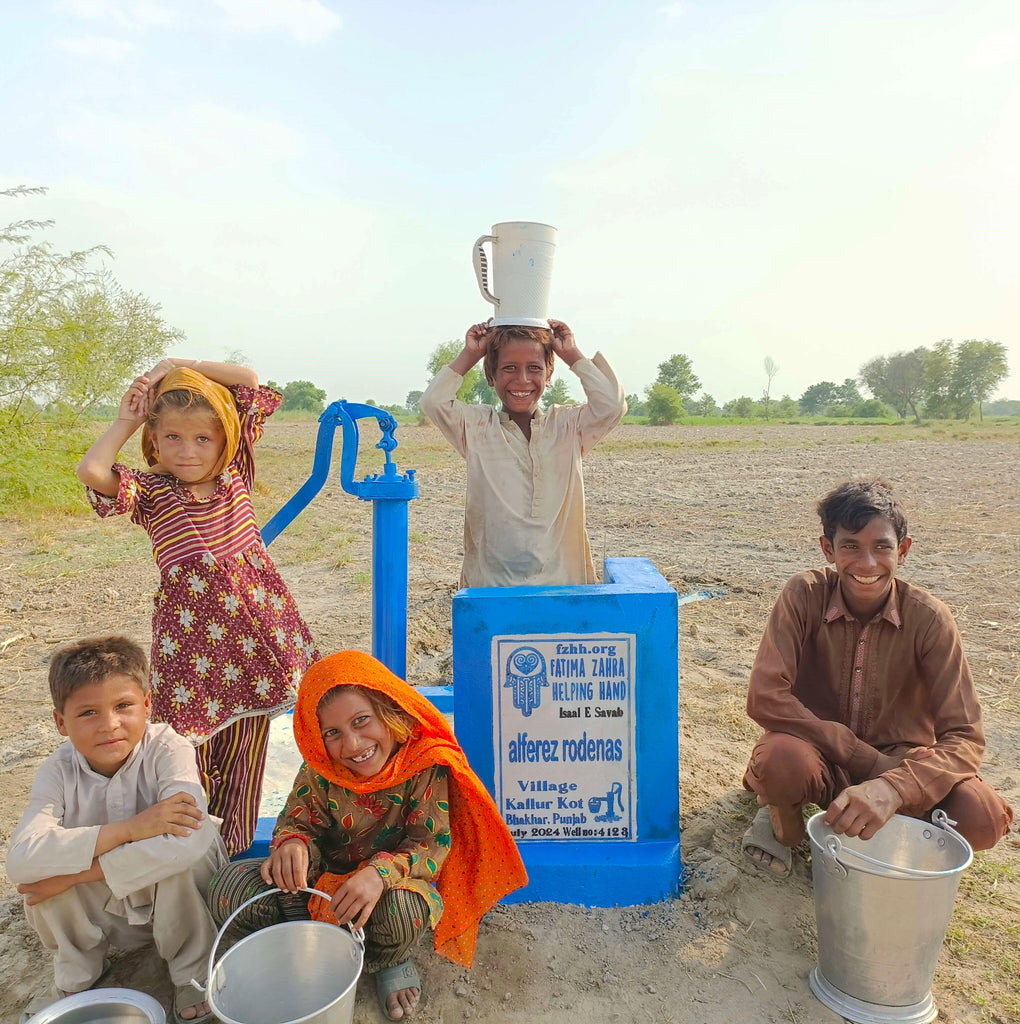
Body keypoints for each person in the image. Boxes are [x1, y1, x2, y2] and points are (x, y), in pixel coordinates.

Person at [76, 358, 318, 856]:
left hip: (254, 643)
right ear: (154, 439)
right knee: (187, 750)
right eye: (172, 438)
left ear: (224, 439)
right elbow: (93, 470)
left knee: (247, 749)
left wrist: (175, 366)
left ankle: (228, 861)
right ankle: (189, 856)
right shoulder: (150, 492)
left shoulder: (235, 473)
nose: (188, 452)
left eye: (202, 439)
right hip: (193, 652)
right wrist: (129, 417)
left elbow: (249, 380)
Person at [207, 649, 528, 1021]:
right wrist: (291, 844)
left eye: (362, 721)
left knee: (405, 915)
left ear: (389, 710)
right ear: (318, 737)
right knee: (225, 889)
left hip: (387, 893)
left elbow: (429, 845)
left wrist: (378, 875)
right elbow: (298, 818)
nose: (353, 745)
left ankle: (385, 958)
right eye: (333, 733)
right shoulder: (322, 767)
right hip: (321, 886)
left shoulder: (425, 765)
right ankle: (304, 936)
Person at [741, 479, 1013, 878]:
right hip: (815, 755)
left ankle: (889, 829)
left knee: (983, 816)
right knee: (782, 761)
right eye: (850, 546)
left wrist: (895, 786)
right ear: (827, 549)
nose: (867, 564)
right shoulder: (804, 595)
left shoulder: (930, 619)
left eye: (881, 546)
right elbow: (765, 697)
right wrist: (862, 758)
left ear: (902, 550)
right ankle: (780, 813)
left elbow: (966, 738)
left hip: (898, 762)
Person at [7, 636, 227, 1024]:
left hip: (175, 908)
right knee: (41, 876)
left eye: (123, 706)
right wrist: (131, 828)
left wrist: (77, 873)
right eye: (88, 712)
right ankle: (79, 979)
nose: (109, 725)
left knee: (188, 847)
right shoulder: (58, 770)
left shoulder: (168, 748)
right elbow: (21, 862)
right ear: (61, 722)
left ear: (146, 704)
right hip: (109, 917)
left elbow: (189, 843)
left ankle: (193, 973)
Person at [420, 319, 626, 587]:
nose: (522, 380)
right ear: (491, 376)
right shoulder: (476, 427)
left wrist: (572, 354)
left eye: (534, 368)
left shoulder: (567, 425)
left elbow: (612, 404)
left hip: (564, 585)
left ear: (548, 376)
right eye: (509, 368)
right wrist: (470, 354)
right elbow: (433, 401)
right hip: (491, 587)